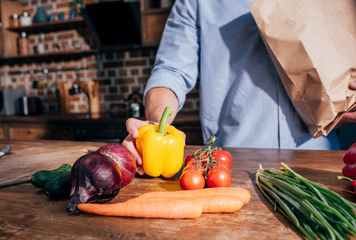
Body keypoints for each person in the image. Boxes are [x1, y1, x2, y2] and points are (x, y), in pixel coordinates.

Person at [123, 0, 356, 175]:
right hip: (233, 165)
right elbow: (171, 72)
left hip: (320, 158)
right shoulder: (197, 2)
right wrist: (156, 126)